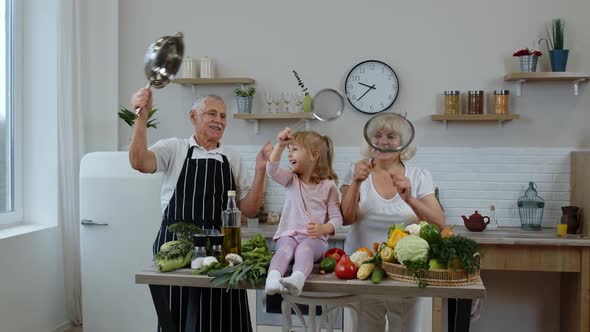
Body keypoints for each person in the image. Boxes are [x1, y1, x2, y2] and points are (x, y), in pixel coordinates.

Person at [129, 88, 272, 332]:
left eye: (224, 116)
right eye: (211, 114)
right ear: (193, 117)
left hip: (220, 253)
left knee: (224, 321)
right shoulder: (174, 148)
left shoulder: (232, 157)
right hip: (176, 251)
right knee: (177, 319)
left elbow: (248, 209)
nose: (219, 120)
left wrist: (261, 170)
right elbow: (139, 162)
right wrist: (141, 117)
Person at [340, 114, 445, 331]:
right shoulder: (356, 170)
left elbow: (439, 222)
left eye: (391, 136)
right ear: (369, 140)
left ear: (404, 143)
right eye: (377, 135)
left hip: (404, 273)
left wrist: (410, 199)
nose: (383, 141)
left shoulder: (418, 176)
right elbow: (347, 218)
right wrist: (356, 183)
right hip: (363, 271)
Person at [264, 128, 343, 297]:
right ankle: (272, 278)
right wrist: (279, 145)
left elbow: (337, 218)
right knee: (284, 249)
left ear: (314, 155)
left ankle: (297, 279)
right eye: (288, 150)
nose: (289, 154)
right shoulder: (291, 179)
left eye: (294, 150)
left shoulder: (328, 186)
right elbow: (271, 170)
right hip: (289, 234)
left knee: (304, 250)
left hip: (315, 240)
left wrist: (323, 229)